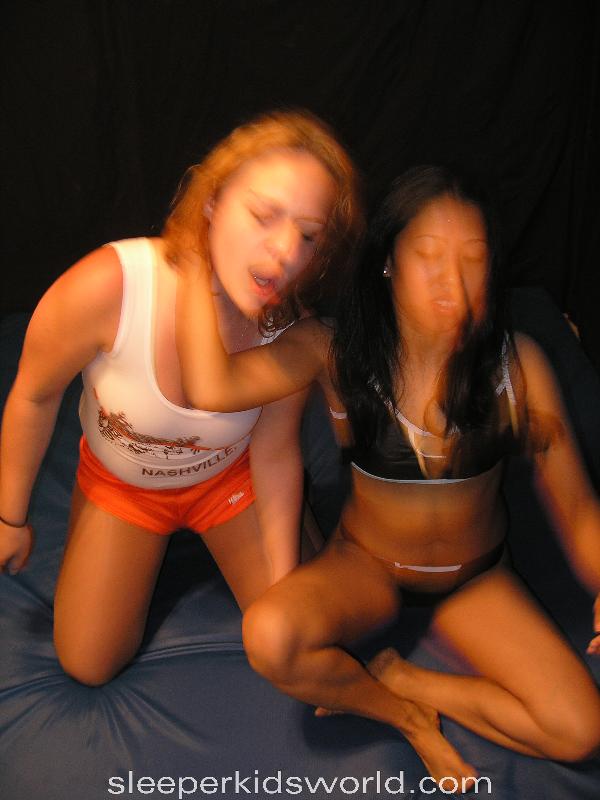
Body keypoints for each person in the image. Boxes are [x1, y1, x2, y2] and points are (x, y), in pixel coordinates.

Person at [174, 165, 600, 791]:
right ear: (388, 263)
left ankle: (409, 679)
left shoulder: (518, 367)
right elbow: (214, 387)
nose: (452, 282)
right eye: (427, 256)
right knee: (269, 636)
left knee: (579, 730)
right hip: (368, 567)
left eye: (473, 259)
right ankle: (401, 714)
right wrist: (193, 251)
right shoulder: (335, 352)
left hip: (474, 579)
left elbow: (580, 509)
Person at [0, 110, 363, 687]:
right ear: (214, 200)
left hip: (229, 480)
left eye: (308, 235)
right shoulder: (113, 285)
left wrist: (283, 583)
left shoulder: (291, 327)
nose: (285, 251)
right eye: (264, 215)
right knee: (87, 662)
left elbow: (274, 452)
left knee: (308, 636)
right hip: (123, 484)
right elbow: (33, 394)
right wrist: (9, 516)